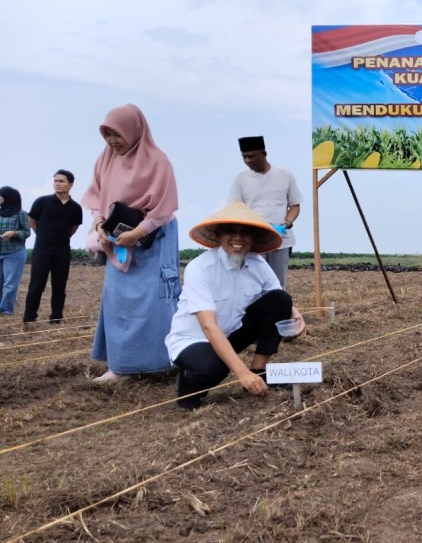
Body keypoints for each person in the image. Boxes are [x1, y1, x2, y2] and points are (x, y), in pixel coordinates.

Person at [165, 201, 306, 410]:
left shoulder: (258, 264)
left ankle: (259, 372)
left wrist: (295, 315)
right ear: (219, 236)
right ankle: (187, 383)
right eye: (231, 231)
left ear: (253, 238)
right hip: (194, 339)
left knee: (280, 299)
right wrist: (242, 373)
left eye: (245, 232)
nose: (238, 238)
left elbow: (277, 295)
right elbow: (208, 327)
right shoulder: (200, 268)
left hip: (232, 333)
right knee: (214, 368)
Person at [82, 104, 181, 383]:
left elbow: (164, 208)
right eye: (107, 135)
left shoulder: (159, 162)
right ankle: (121, 366)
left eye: (117, 135)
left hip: (154, 239)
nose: (112, 141)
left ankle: (160, 363)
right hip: (117, 238)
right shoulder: (106, 159)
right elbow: (96, 198)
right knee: (117, 300)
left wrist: (138, 233)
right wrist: (100, 222)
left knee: (153, 302)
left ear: (134, 131)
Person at [228, 136, 303, 288]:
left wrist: (287, 222)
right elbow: (235, 209)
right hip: (253, 241)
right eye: (245, 157)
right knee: (253, 284)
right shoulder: (240, 179)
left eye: (252, 156)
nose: (248, 160)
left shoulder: (285, 175)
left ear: (264, 154)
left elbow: (295, 205)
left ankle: (277, 311)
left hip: (281, 239)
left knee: (277, 284)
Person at [22, 170, 83, 325]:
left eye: (61, 181)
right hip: (42, 250)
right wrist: (42, 234)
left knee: (59, 286)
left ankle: (56, 318)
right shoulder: (42, 202)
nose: (57, 184)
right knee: (36, 285)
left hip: (62, 251)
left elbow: (74, 227)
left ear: (70, 184)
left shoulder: (76, 208)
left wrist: (62, 237)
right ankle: (29, 318)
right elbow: (32, 220)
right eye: (55, 181)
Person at [0, 187, 31, 316]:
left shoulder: (21, 214)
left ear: (9, 197)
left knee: (10, 284)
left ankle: (5, 310)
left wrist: (14, 233)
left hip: (15, 252)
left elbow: (27, 232)